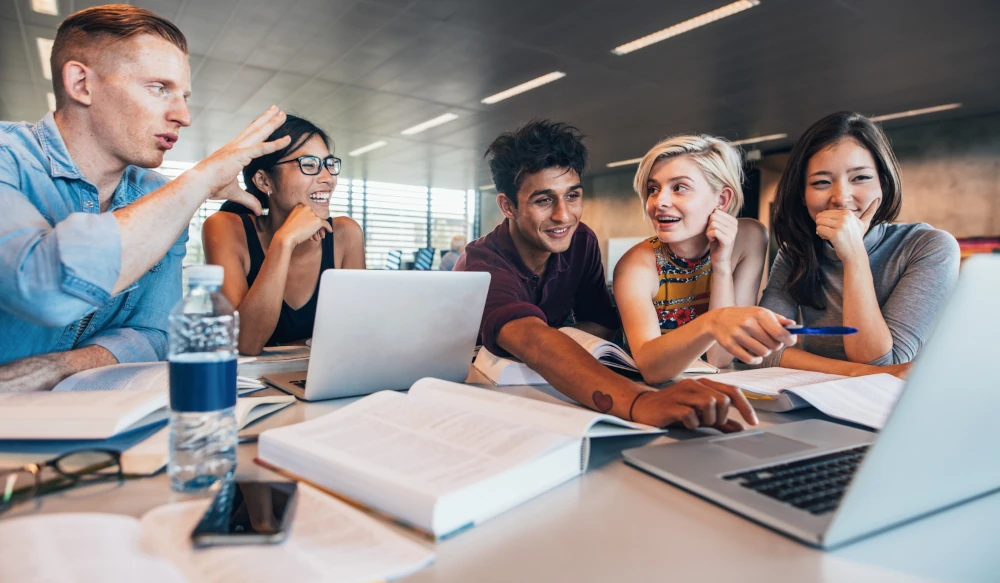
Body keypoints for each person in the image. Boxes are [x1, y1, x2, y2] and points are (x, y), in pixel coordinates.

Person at [0, 5, 292, 392]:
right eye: (159, 88)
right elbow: (44, 288)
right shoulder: (8, 159)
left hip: (87, 421)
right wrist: (200, 180)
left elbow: (154, 332)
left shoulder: (156, 193)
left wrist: (60, 367)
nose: (184, 115)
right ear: (81, 84)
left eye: (184, 95)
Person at [456, 120, 759, 431]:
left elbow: (600, 324)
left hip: (546, 388)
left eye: (572, 196)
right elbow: (531, 339)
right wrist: (639, 401)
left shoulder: (580, 242)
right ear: (508, 206)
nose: (564, 215)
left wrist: (558, 343)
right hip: (475, 395)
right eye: (544, 200)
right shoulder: (483, 261)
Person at [759, 111, 960, 374]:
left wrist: (853, 255)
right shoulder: (796, 252)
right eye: (821, 182)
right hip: (815, 403)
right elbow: (762, 350)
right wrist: (855, 373)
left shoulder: (929, 247)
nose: (841, 198)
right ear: (803, 195)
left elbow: (882, 363)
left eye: (860, 178)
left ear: (883, 184)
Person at [614, 136, 798, 384]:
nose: (660, 202)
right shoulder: (636, 265)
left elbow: (722, 357)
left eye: (679, 187)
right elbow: (651, 368)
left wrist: (721, 266)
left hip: (714, 384)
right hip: (648, 390)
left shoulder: (750, 238)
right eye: (653, 189)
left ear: (722, 199)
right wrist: (713, 323)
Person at [202, 116, 365, 355]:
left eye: (329, 164)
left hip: (320, 377)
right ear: (264, 180)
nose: (328, 178)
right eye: (309, 165)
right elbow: (245, 343)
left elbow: (357, 335)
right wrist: (284, 241)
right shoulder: (225, 228)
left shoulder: (346, 234)